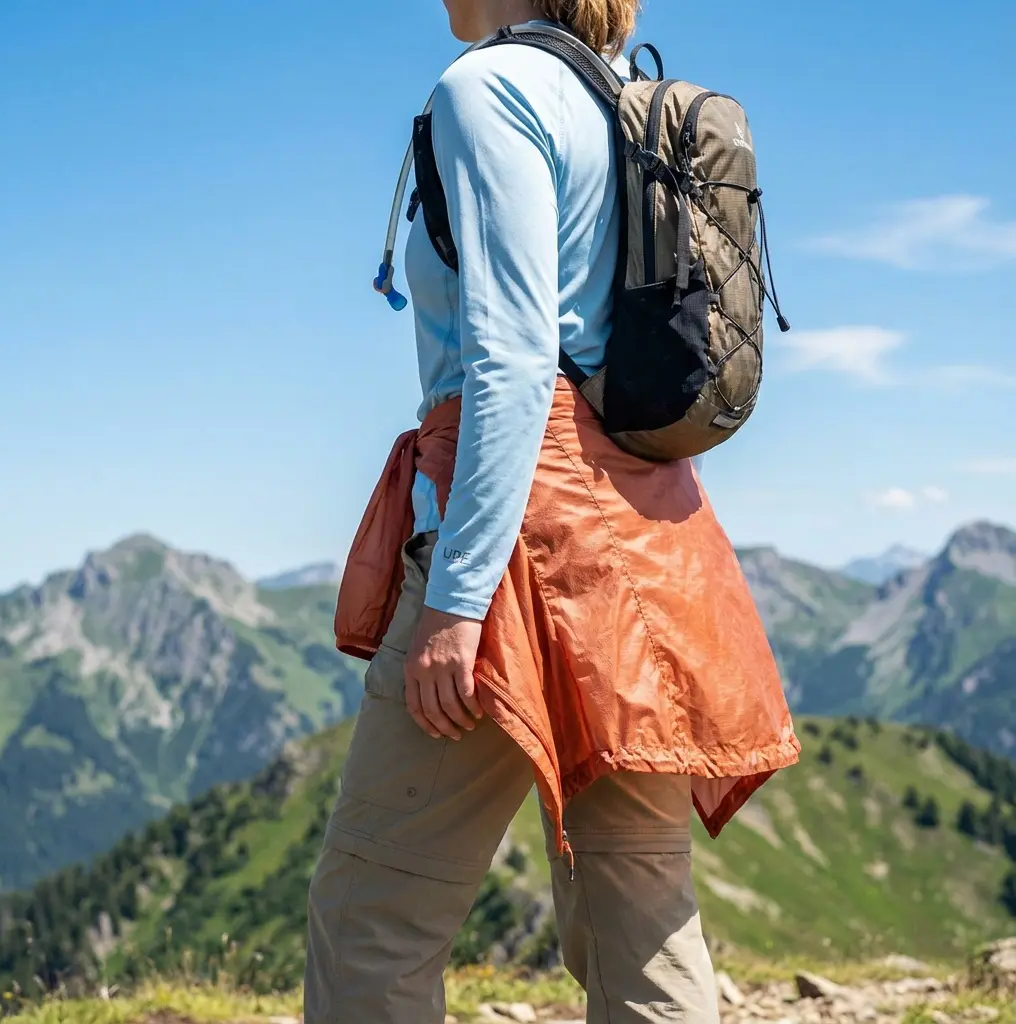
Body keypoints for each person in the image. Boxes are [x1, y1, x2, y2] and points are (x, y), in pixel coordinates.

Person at [306, 1, 800, 1021]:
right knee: (639, 913)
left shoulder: (485, 91)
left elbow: (515, 355)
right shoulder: (615, 101)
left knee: (373, 914)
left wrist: (457, 599)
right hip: (643, 542)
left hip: (519, 542)